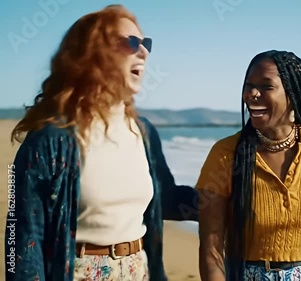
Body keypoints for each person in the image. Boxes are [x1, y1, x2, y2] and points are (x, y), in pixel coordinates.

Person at [5, 5, 197, 281]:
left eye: (146, 43)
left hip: (139, 270)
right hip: (80, 271)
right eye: (131, 43)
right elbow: (21, 234)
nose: (143, 51)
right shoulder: (50, 139)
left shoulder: (144, 132)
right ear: (90, 55)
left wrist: (226, 197)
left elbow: (164, 200)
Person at [196, 50, 301, 281]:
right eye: (249, 85)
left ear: (293, 94)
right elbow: (211, 250)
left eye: (267, 86)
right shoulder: (225, 154)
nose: (252, 94)